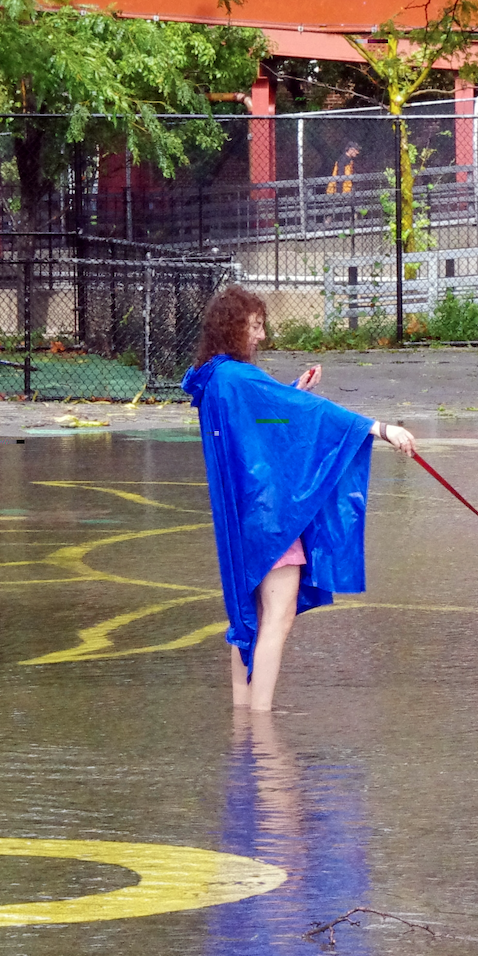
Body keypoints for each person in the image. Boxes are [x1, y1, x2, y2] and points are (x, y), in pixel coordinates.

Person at [182, 285, 416, 712]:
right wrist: (379, 428)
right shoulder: (237, 376)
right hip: (270, 519)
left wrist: (293, 392)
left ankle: (243, 724)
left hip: (245, 520)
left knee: (248, 619)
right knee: (277, 617)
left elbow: (268, 419)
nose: (261, 337)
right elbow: (309, 419)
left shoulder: (217, 379)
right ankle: (261, 724)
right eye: (255, 327)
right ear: (233, 328)